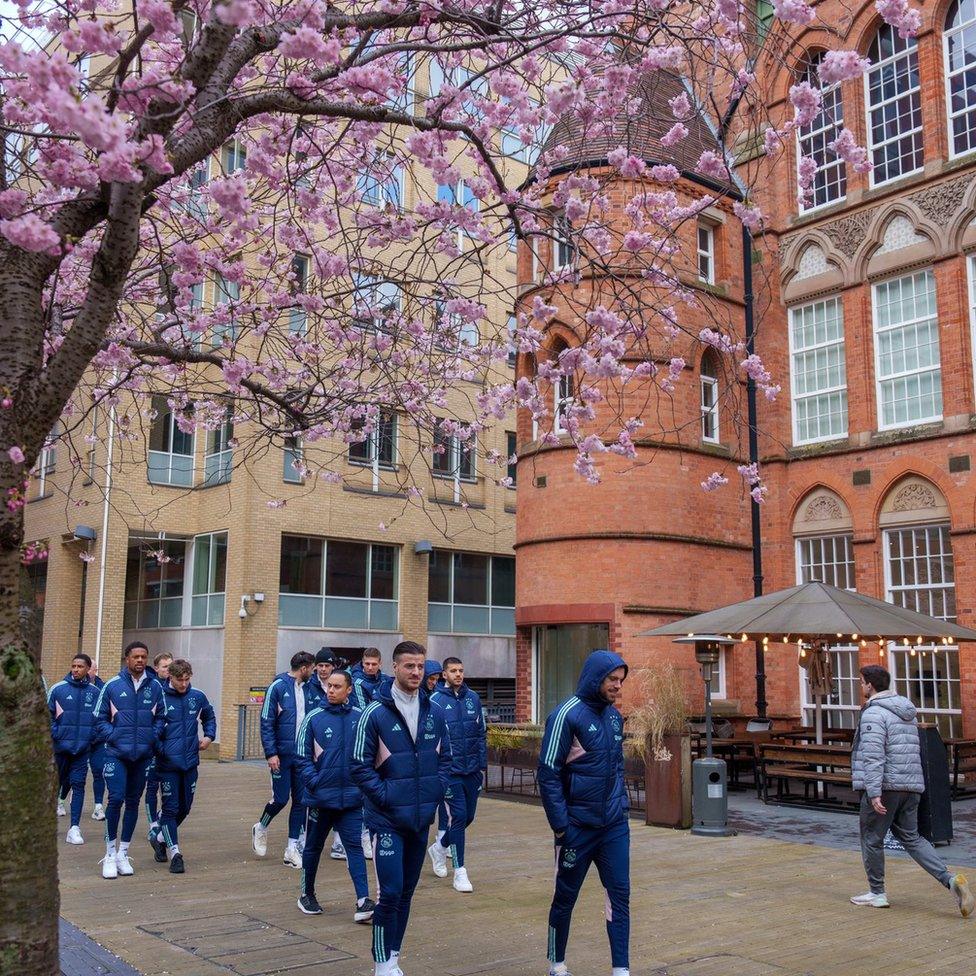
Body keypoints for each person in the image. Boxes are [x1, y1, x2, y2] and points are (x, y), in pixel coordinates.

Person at [351, 641, 451, 976]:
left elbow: (445, 760)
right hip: (388, 820)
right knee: (389, 893)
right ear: (394, 667)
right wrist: (386, 796)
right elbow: (359, 766)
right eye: (409, 666)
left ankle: (393, 956)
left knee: (407, 892)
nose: (416, 672)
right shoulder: (375, 713)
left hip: (421, 818)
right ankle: (381, 964)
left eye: (421, 666)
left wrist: (435, 792)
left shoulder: (434, 711)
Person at [850, 665, 973, 916]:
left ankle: (877, 893)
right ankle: (950, 880)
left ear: (870, 685)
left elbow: (874, 756)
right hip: (911, 785)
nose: (860, 686)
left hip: (885, 786)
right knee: (913, 838)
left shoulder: (874, 714)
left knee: (872, 838)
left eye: (861, 682)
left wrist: (873, 792)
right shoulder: (905, 711)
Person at [538, 650, 630, 976]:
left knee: (619, 895)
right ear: (596, 678)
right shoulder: (566, 716)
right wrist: (562, 827)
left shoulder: (615, 718)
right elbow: (548, 774)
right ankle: (556, 963)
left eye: (621, 680)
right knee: (564, 899)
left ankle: (621, 969)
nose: (618, 686)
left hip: (614, 826)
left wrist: (622, 807)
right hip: (577, 827)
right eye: (612, 680)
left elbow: (617, 769)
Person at [295, 668, 376, 922]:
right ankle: (306, 894)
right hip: (320, 798)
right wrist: (315, 781)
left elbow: (370, 754)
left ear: (349, 690)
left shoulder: (360, 717)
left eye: (337, 686)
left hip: (352, 798)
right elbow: (301, 756)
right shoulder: (314, 718)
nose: (331, 690)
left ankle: (363, 901)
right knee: (313, 847)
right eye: (329, 686)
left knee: (353, 846)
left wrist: (364, 785)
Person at [93, 641, 166, 879]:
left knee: (134, 802)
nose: (140, 660)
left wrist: (150, 737)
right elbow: (98, 718)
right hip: (116, 754)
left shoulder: (155, 686)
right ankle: (110, 854)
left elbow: (162, 718)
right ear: (127, 659)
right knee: (115, 799)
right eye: (136, 656)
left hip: (143, 755)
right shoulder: (113, 686)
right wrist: (113, 735)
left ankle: (124, 852)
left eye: (144, 656)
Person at [252, 651, 316, 868]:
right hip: (281, 755)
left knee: (301, 802)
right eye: (312, 669)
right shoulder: (277, 687)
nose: (314, 672)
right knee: (280, 799)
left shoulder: (308, 688)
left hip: (302, 756)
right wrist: (271, 753)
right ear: (305, 668)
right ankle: (261, 827)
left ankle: (291, 848)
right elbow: (266, 722)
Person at [153, 659, 216, 874]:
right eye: (179, 680)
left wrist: (208, 736)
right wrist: (161, 749)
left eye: (187, 679)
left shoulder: (197, 696)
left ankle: (160, 837)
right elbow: (151, 728)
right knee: (170, 808)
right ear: (170, 677)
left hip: (190, 762)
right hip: (167, 763)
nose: (183, 684)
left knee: (185, 807)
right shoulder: (159, 696)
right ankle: (175, 853)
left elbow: (209, 716)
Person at [428, 657, 486, 892]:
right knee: (458, 818)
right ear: (444, 674)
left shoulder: (473, 698)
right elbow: (431, 740)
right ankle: (460, 872)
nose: (458, 674)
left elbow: (481, 734)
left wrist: (481, 766)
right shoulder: (435, 701)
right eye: (453, 671)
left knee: (468, 817)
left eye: (461, 670)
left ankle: (440, 847)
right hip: (450, 772)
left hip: (472, 770)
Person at [48, 653, 99, 845]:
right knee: (54, 787)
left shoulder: (94, 692)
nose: (76, 670)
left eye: (80, 667)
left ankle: (74, 828)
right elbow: (47, 715)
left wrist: (90, 738)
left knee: (78, 786)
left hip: (82, 750)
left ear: (88, 669)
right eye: (73, 666)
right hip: (60, 749)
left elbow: (100, 719)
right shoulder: (58, 689)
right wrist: (57, 734)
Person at [144, 651, 173, 860]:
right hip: (152, 748)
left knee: (168, 788)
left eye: (170, 666)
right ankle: (153, 824)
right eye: (164, 667)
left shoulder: (175, 688)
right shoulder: (151, 687)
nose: (168, 670)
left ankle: (163, 820)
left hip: (170, 749)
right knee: (152, 787)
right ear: (157, 668)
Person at [87, 663, 107, 822]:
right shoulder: (65, 688)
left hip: (98, 740)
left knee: (99, 771)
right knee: (68, 777)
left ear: (95, 671)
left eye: (89, 668)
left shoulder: (103, 688)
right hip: (79, 739)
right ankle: (60, 799)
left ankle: (98, 806)